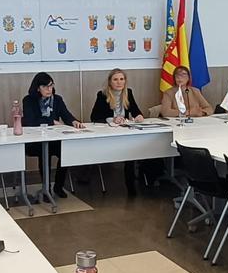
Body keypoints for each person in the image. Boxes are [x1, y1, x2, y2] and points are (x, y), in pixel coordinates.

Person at [22, 72, 86, 198]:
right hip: (35, 141)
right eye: (45, 86)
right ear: (37, 88)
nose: (49, 89)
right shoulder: (29, 100)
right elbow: (30, 121)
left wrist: (74, 121)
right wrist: (51, 122)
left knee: (66, 152)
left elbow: (66, 115)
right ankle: (47, 189)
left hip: (55, 138)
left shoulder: (57, 99)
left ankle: (58, 186)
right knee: (44, 152)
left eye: (51, 86)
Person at [89, 68, 145, 196]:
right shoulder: (102, 95)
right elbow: (94, 117)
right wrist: (112, 119)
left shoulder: (128, 93)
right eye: (115, 79)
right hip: (109, 134)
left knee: (131, 153)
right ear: (110, 82)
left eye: (122, 79)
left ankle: (131, 187)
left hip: (125, 132)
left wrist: (139, 116)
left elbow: (136, 111)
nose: (119, 82)